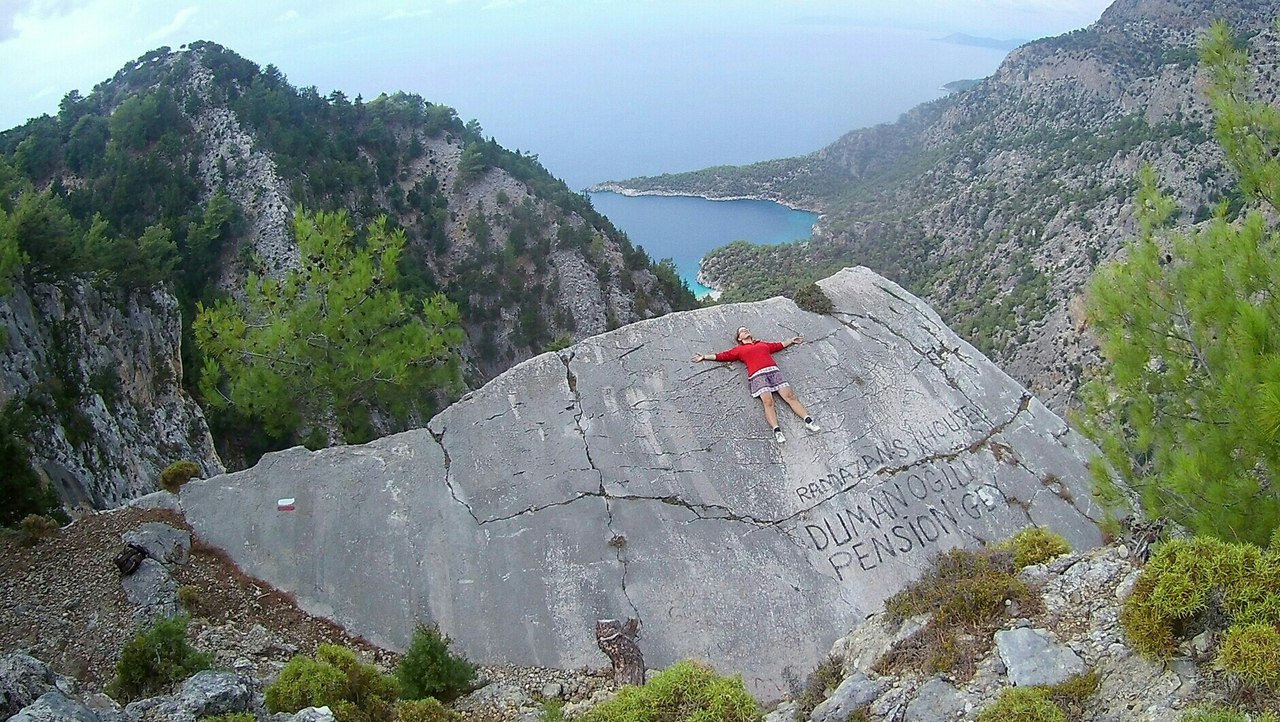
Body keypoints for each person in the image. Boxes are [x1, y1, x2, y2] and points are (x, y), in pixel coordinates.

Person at [692, 325, 821, 443]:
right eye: (742, 331)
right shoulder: (739, 350)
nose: (745, 331)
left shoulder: (762, 344)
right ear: (739, 338)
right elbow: (722, 356)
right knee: (768, 402)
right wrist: (704, 356)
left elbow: (778, 345)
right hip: (758, 375)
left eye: (746, 329)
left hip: (773, 371)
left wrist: (791, 340)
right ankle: (777, 431)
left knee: (790, 397)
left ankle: (808, 421)